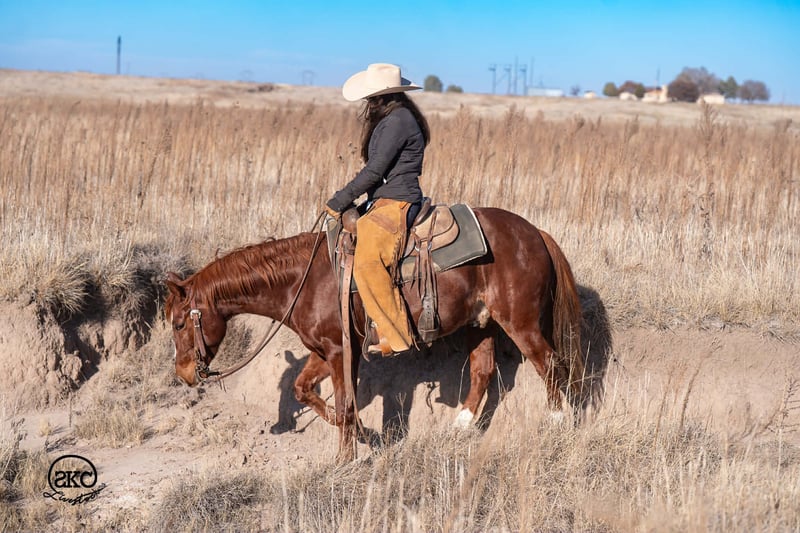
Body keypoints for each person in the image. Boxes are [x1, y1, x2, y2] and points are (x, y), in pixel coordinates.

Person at [326, 63, 431, 356]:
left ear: (382, 96)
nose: (367, 102)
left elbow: (375, 171)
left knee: (368, 263)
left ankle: (396, 337)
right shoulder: (395, 117)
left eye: (370, 97)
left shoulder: (398, 121)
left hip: (397, 202)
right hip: (385, 198)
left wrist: (340, 200)